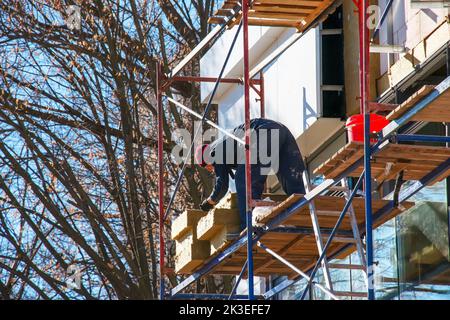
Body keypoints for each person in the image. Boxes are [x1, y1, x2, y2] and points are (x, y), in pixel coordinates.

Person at [195, 118, 306, 231]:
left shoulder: (214, 152)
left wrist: (210, 201)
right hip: (280, 130)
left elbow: (222, 184)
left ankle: (248, 225)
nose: (211, 170)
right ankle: (305, 215)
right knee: (293, 181)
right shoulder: (226, 144)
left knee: (243, 178)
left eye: (208, 167)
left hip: (261, 133)